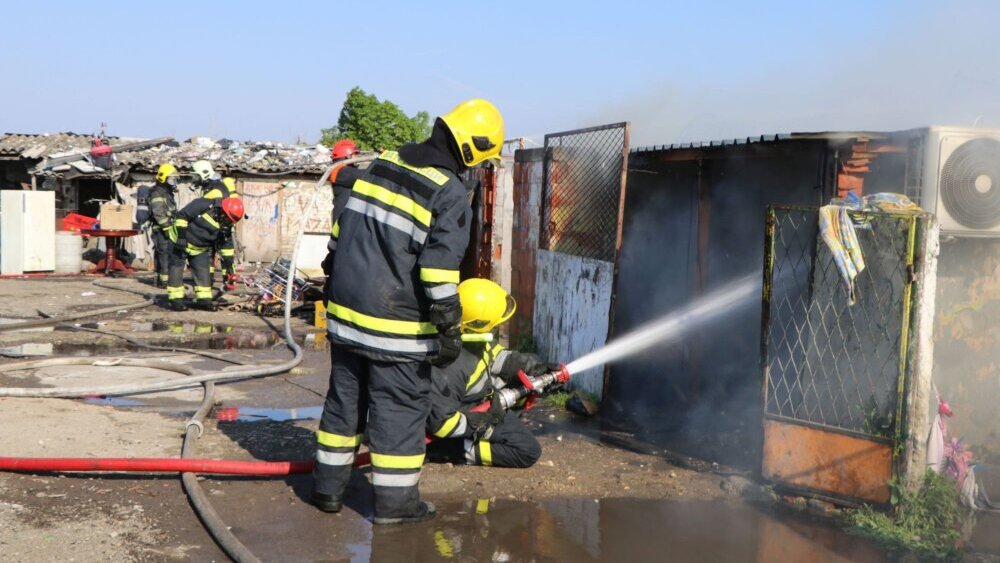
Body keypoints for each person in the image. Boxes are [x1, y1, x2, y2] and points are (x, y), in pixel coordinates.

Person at [311, 99, 504, 525]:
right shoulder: (449, 193)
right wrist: (449, 329)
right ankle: (396, 507)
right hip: (395, 329)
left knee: (344, 403)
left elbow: (342, 229)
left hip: (345, 316)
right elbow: (438, 272)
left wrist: (335, 278)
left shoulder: (383, 163)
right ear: (472, 148)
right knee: (398, 412)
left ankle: (327, 491)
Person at [426, 278, 551, 468]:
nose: (498, 327)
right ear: (480, 324)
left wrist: (534, 367)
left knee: (520, 384)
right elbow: (441, 423)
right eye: (495, 324)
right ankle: (452, 450)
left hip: (479, 403)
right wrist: (482, 423)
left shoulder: (471, 341)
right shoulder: (452, 367)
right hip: (466, 415)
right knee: (527, 451)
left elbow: (497, 356)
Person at [165, 197, 244, 311]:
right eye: (228, 219)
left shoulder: (226, 225)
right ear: (223, 211)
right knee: (176, 270)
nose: (228, 223)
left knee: (203, 272)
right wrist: (181, 237)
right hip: (179, 242)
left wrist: (229, 270)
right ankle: (175, 300)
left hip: (199, 248)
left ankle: (204, 300)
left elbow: (226, 248)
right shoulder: (203, 204)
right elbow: (182, 216)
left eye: (231, 221)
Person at [137, 164, 179, 288]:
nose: (173, 182)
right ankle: (164, 282)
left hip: (167, 228)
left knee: (165, 254)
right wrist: (167, 227)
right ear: (163, 178)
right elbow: (158, 212)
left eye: (174, 179)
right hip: (161, 229)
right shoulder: (157, 193)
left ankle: (162, 279)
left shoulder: (166, 192)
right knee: (164, 254)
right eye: (171, 179)